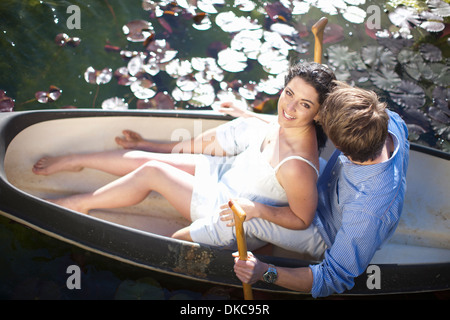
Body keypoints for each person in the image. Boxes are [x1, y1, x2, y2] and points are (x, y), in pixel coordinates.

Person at [32, 62, 336, 256]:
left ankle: (80, 204)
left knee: (153, 171)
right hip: (228, 177)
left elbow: (301, 219)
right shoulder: (287, 121)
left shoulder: (296, 165)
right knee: (148, 156)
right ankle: (77, 158)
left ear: (318, 113)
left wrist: (255, 209)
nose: (290, 108)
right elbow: (280, 117)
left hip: (229, 212)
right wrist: (246, 114)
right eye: (288, 93)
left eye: (304, 104)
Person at [228, 81, 410, 297]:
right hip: (330, 188)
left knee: (237, 218)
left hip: (326, 229)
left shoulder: (366, 213)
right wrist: (249, 114)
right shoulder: (387, 119)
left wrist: (264, 272)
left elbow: (332, 278)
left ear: (340, 147)